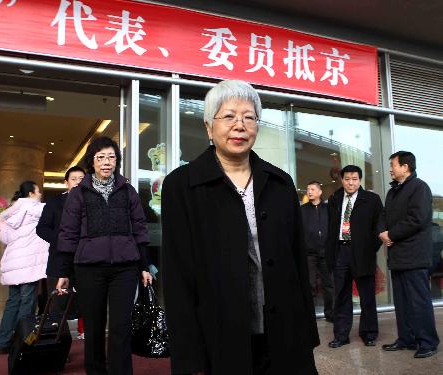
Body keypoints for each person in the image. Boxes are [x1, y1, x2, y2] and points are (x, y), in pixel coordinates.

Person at [161, 80, 319, 375]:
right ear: (209, 127)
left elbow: (297, 261)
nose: (240, 125)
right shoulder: (182, 186)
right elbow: (178, 276)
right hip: (219, 336)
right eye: (229, 116)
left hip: (283, 332)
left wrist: (307, 332)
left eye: (249, 117)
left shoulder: (280, 183)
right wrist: (188, 355)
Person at [57, 136, 152, 375]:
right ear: (92, 161)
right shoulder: (78, 193)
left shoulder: (128, 191)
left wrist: (144, 265)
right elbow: (68, 233)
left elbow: (140, 228)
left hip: (125, 268)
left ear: (116, 161)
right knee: (94, 327)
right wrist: (64, 271)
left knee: (121, 327)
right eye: (101, 157)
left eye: (111, 157)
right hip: (89, 268)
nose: (106, 162)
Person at [379, 151, 440, 358]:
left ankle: (428, 342)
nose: (390, 169)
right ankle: (407, 339)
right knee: (402, 302)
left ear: (405, 167)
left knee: (418, 301)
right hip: (397, 256)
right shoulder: (393, 191)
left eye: (393, 165)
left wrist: (392, 234)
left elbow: (418, 219)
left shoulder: (419, 187)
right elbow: (385, 216)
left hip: (414, 256)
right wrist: (383, 232)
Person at [0, 181, 49, 352]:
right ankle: (21, 343)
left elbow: (5, 239)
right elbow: (56, 214)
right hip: (28, 264)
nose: (40, 194)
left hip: (12, 263)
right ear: (30, 194)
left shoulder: (9, 213)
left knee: (13, 302)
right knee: (28, 303)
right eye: (38, 191)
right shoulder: (36, 208)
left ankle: (3, 341)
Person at [326, 165, 383, 348]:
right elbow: (330, 228)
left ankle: (369, 333)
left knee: (366, 295)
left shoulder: (372, 199)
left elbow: (379, 227)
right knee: (341, 295)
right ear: (342, 180)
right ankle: (341, 335)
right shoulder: (334, 198)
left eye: (355, 179)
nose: (351, 183)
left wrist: (370, 248)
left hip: (362, 253)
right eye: (347, 179)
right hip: (340, 251)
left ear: (360, 180)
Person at [36, 166, 86, 339]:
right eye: (74, 179)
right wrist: (61, 241)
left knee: (88, 299)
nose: (78, 182)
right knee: (57, 303)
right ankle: (59, 342)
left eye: (82, 178)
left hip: (85, 259)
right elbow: (41, 228)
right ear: (66, 183)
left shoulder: (93, 203)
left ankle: (85, 332)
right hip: (59, 258)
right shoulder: (54, 203)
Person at [301, 180, 334, 323]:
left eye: (313, 189)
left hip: (326, 252)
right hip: (309, 253)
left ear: (320, 192)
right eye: (308, 189)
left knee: (329, 285)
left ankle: (330, 313)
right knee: (310, 284)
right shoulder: (302, 210)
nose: (309, 191)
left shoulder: (328, 209)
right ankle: (309, 315)